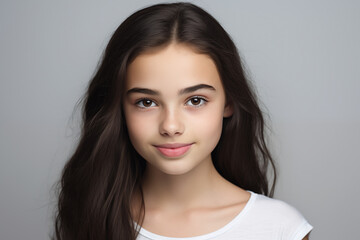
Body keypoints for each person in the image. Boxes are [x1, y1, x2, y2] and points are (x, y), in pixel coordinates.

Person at [54, 2, 313, 240]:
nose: (170, 126)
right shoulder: (91, 218)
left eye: (195, 100)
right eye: (147, 102)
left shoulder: (281, 228)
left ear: (229, 101)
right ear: (119, 107)